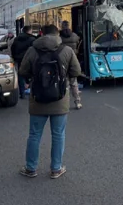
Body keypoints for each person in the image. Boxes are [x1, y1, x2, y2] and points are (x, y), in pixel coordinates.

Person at [19, 24, 81, 179]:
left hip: (37, 98)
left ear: (41, 34)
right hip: (60, 99)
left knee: (34, 134)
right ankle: (56, 168)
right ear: (57, 34)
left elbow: (22, 71)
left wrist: (35, 77)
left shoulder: (32, 50)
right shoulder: (66, 50)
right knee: (58, 134)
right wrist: (64, 78)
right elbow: (76, 71)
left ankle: (31, 168)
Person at [59, 21, 82, 109]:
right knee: (74, 83)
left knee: (65, 84)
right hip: (73, 60)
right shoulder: (74, 36)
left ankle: (65, 103)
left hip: (63, 61)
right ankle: (77, 102)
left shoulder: (59, 37)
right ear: (69, 26)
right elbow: (78, 40)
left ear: (61, 26)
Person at [11, 26, 36, 98]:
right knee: (32, 74)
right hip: (30, 60)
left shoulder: (17, 39)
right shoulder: (32, 39)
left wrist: (15, 57)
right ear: (29, 31)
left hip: (20, 60)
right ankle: (32, 92)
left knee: (21, 75)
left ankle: (22, 93)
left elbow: (13, 49)